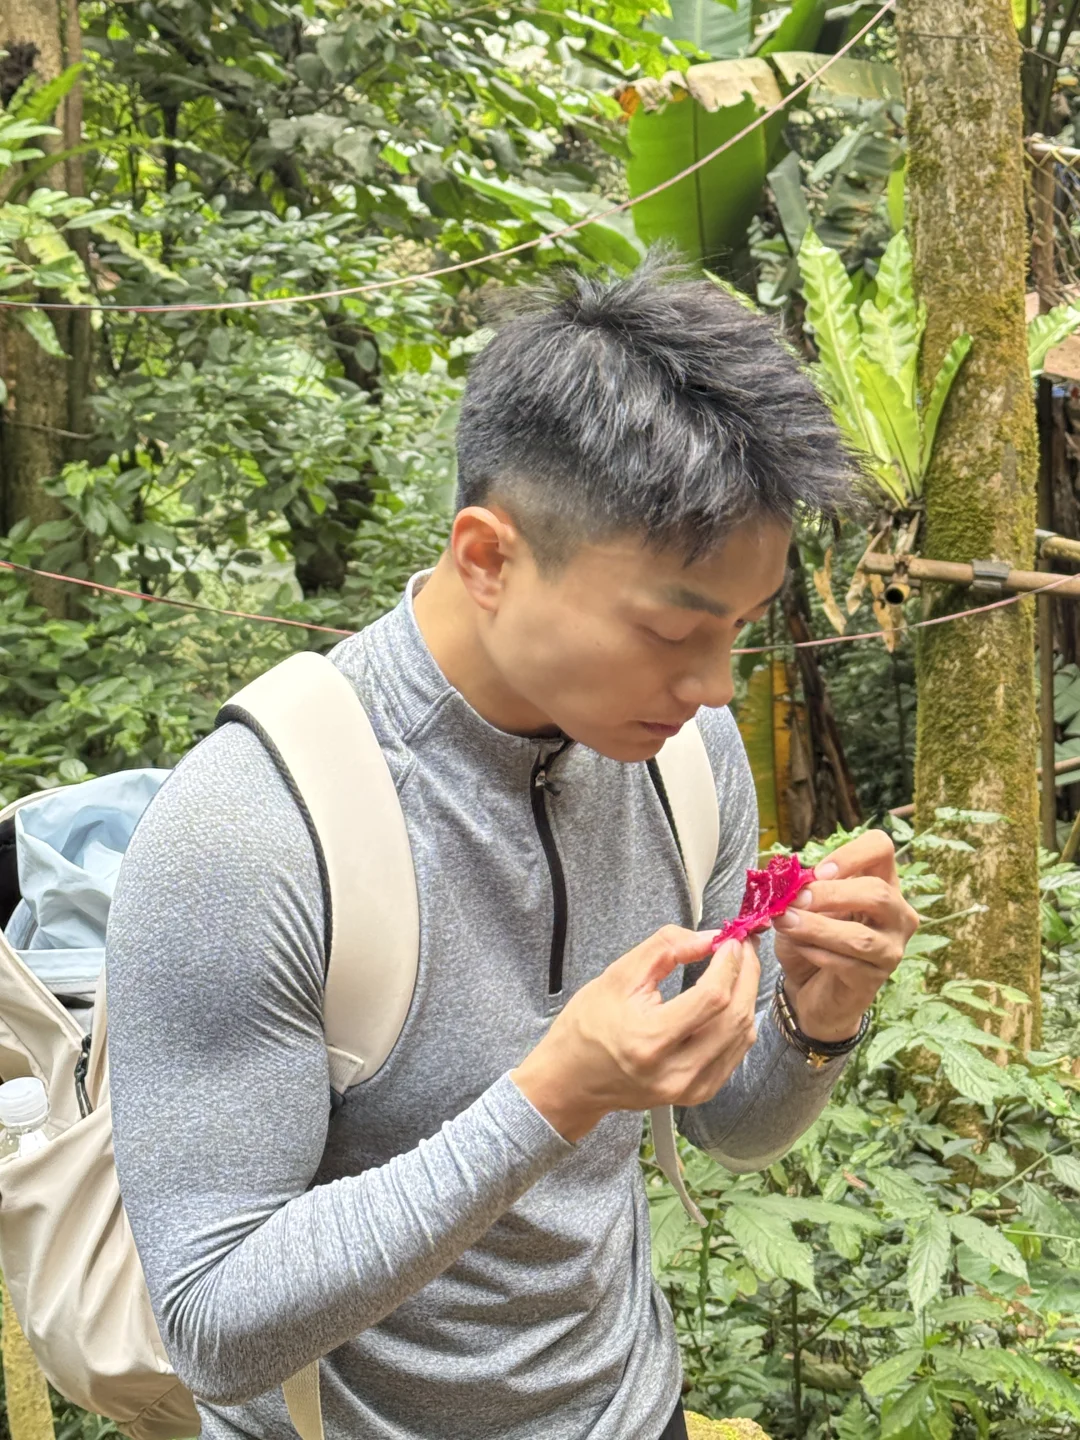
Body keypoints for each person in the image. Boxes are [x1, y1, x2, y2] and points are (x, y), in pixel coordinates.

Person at [106, 257, 919, 1440]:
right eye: (672, 631)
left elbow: (729, 1129)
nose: (711, 688)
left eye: (743, 629)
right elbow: (215, 1325)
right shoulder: (251, 833)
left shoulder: (685, 763)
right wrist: (555, 1094)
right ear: (488, 558)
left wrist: (815, 1017)